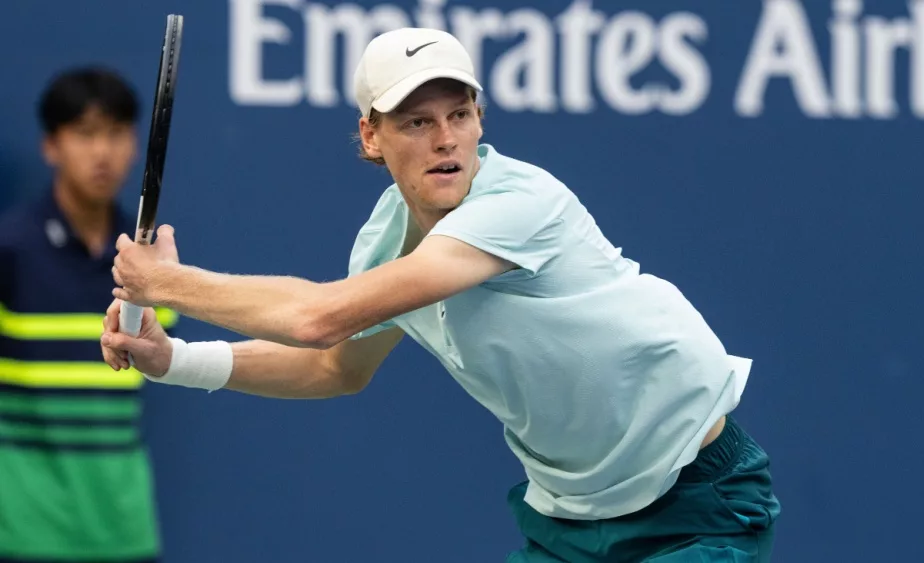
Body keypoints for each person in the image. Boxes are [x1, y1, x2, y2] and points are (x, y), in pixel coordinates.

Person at [100, 28, 781, 562]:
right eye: (417, 122)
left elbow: (318, 316)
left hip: (697, 498)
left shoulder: (520, 200)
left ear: (480, 118)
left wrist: (165, 282)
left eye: (459, 113)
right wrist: (173, 359)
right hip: (570, 519)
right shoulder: (383, 240)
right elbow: (334, 364)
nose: (447, 137)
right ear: (372, 135)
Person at [0, 67, 176, 563]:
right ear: (51, 146)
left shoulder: (151, 263)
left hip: (126, 531)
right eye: (84, 133)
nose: (102, 152)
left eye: (116, 133)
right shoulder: (9, 249)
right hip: (23, 533)